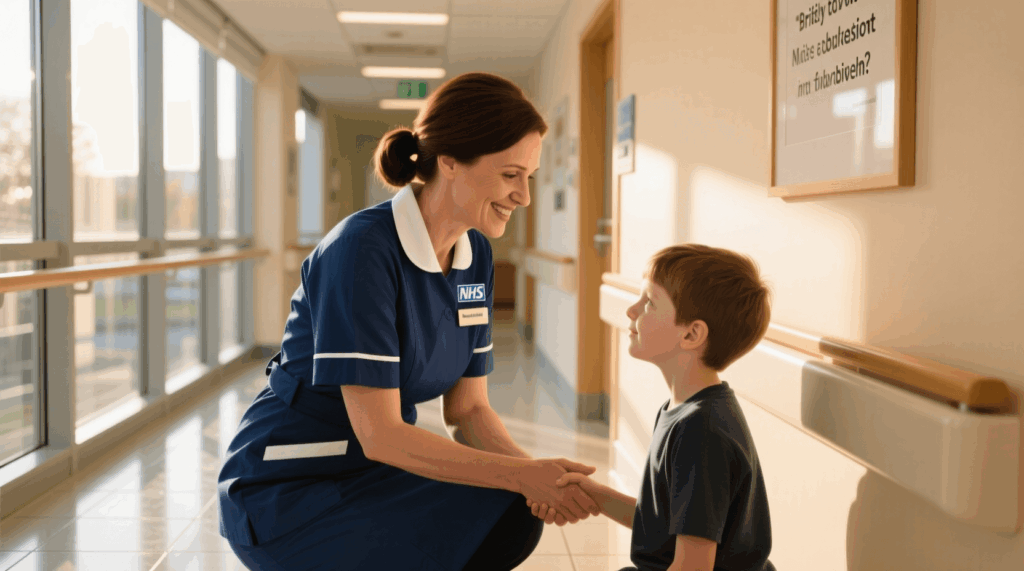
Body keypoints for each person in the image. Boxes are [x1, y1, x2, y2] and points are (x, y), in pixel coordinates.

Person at [217, 72, 601, 571]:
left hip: (377, 472)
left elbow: (468, 412)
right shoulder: (360, 251)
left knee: (511, 512)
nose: (524, 196)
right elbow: (382, 434)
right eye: (511, 175)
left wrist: (535, 476)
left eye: (529, 177)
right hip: (291, 485)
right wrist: (522, 476)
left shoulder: (474, 255)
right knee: (505, 502)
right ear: (451, 163)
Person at [530, 244, 776, 571]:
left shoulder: (701, 432)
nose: (632, 311)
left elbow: (693, 567)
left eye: (648, 302)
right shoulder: (686, 410)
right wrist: (594, 495)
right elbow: (665, 525)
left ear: (691, 334)